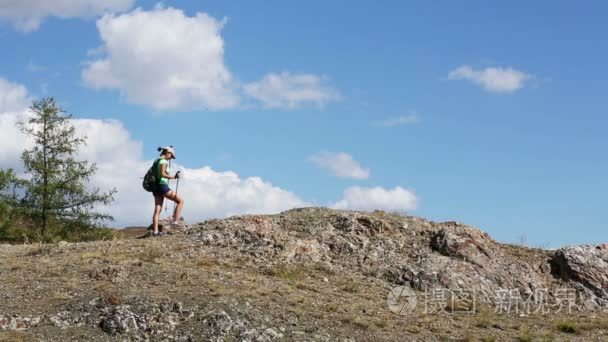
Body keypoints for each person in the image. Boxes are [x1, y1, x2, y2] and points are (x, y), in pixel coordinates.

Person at [150, 146, 184, 237]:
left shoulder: (156, 160)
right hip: (162, 186)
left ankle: (156, 232)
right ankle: (175, 222)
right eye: (171, 156)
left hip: (155, 187)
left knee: (157, 209)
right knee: (180, 201)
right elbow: (163, 174)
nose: (171, 158)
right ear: (168, 153)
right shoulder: (164, 161)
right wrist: (174, 177)